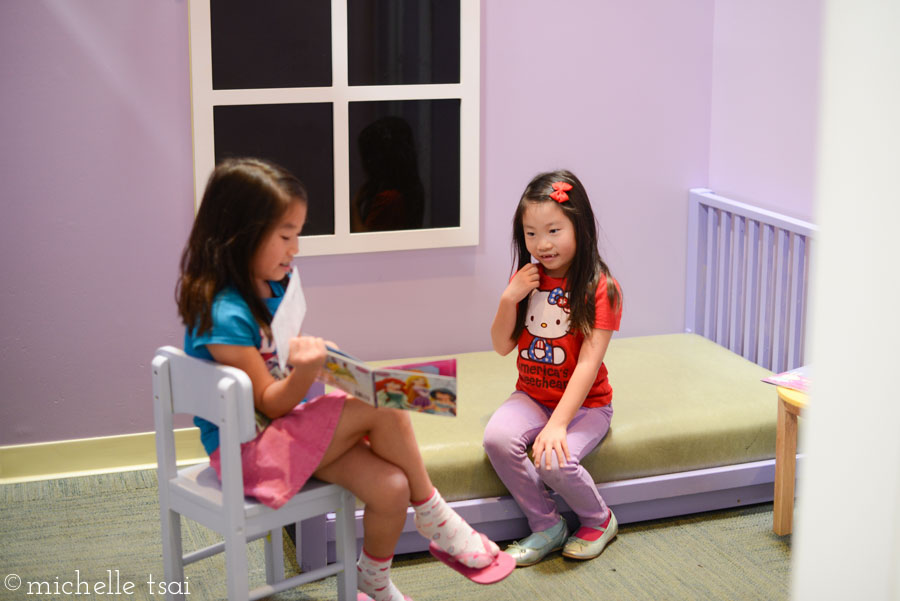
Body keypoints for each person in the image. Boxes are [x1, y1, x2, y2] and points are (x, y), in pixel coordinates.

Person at [176, 158, 507, 601]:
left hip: (281, 434)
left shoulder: (270, 285)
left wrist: (315, 361)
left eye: (298, 235)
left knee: (391, 488)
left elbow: (279, 372)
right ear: (242, 235)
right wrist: (307, 371)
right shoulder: (224, 315)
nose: (295, 249)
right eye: (286, 236)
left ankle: (370, 582)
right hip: (248, 453)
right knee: (383, 403)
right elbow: (271, 402)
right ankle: (434, 514)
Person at [483, 169, 623, 567]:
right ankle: (547, 524)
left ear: (579, 226)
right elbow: (500, 346)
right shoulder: (527, 278)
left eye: (553, 230)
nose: (542, 244)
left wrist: (558, 424)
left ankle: (599, 520)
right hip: (530, 395)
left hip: (586, 406)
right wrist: (508, 299)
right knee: (496, 438)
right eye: (530, 233)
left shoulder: (601, 287)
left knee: (554, 460)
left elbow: (587, 366)